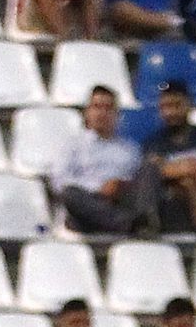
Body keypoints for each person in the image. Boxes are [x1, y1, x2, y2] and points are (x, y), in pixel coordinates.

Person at [53, 85, 154, 237]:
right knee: (70, 194)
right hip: (88, 208)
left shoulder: (131, 149)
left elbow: (140, 184)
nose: (102, 113)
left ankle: (133, 222)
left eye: (108, 108)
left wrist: (119, 185)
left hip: (120, 203)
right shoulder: (72, 145)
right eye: (97, 107)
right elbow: (58, 181)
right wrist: (99, 188)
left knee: (150, 169)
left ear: (117, 114)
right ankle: (130, 225)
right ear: (87, 112)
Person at [140, 80, 196, 239]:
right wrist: (191, 169)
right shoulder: (154, 142)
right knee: (188, 184)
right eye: (165, 107)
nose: (170, 112)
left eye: (176, 105)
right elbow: (158, 171)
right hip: (172, 197)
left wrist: (186, 169)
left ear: (188, 105)